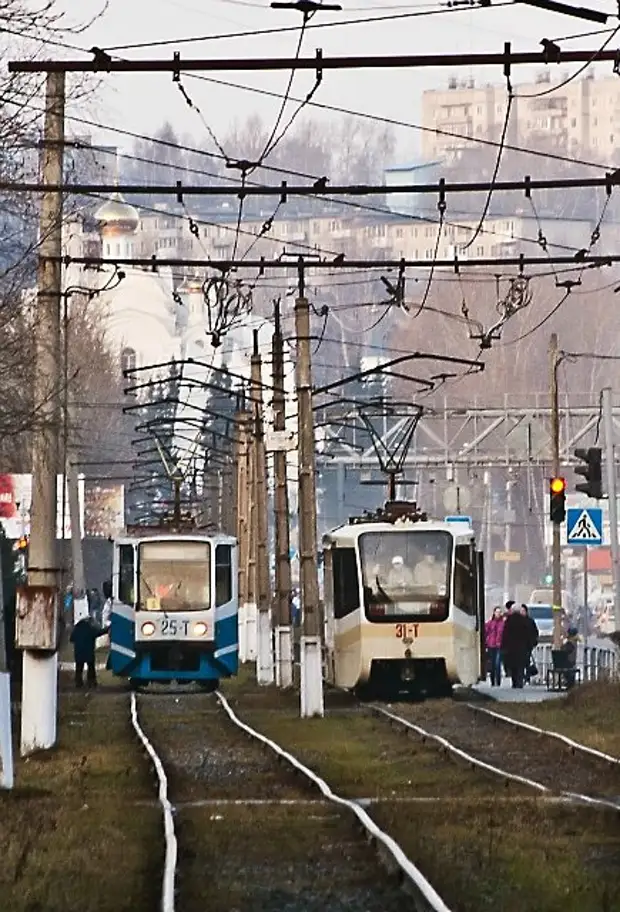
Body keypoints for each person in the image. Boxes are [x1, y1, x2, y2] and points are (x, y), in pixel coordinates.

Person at [70, 615, 108, 688]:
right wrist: (107, 629)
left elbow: (71, 639)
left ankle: (78, 683)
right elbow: (98, 632)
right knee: (91, 667)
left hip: (78, 652)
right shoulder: (90, 628)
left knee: (79, 668)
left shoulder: (77, 628)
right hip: (88, 652)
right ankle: (91, 682)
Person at [501, 603, 532, 688]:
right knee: (520, 666)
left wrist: (504, 646)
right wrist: (529, 645)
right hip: (522, 648)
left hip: (511, 648)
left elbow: (505, 634)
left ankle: (514, 682)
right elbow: (528, 634)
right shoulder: (524, 621)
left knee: (513, 666)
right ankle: (520, 682)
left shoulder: (509, 621)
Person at [485, 607, 505, 686]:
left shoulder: (503, 624)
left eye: (499, 612)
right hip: (491, 645)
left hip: (499, 646)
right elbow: (485, 632)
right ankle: (493, 681)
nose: (498, 614)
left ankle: (498, 681)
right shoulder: (490, 623)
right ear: (494, 613)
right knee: (492, 664)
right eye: (497, 612)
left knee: (497, 664)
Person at [520, 604, 539, 683]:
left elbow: (535, 632)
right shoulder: (517, 621)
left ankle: (527, 677)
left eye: (523, 611)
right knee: (520, 662)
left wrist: (533, 641)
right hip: (518, 645)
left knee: (527, 661)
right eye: (521, 611)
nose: (522, 613)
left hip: (528, 645)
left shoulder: (530, 621)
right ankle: (521, 677)